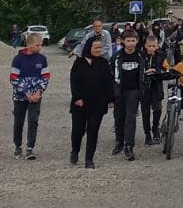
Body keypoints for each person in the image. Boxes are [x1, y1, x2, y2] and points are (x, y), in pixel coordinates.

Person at [69, 38, 114, 168]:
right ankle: (75, 150)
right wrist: (77, 97)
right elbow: (74, 81)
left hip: (98, 102)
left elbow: (108, 82)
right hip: (81, 103)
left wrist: (111, 99)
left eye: (100, 48)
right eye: (96, 48)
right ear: (89, 48)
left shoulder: (104, 63)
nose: (99, 50)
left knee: (93, 130)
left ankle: (89, 159)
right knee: (78, 130)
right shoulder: (79, 63)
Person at [9, 32, 50, 159]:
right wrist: (26, 93)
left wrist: (39, 92)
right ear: (30, 45)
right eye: (38, 45)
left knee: (33, 121)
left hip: (36, 96)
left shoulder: (42, 59)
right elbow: (13, 78)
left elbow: (46, 77)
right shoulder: (18, 59)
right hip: (20, 97)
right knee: (19, 121)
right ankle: (18, 147)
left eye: (41, 45)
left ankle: (30, 148)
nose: (40, 47)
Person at [110, 31, 146, 160]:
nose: (130, 43)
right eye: (128, 41)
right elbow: (111, 75)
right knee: (119, 117)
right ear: (123, 41)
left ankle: (129, 145)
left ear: (136, 41)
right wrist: (111, 94)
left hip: (134, 91)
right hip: (119, 91)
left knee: (130, 118)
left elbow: (144, 73)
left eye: (133, 41)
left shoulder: (141, 56)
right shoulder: (117, 56)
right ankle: (119, 141)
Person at [140, 34, 168, 146]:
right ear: (145, 45)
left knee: (157, 109)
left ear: (157, 46)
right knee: (145, 112)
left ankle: (155, 128)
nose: (151, 48)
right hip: (144, 88)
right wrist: (145, 72)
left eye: (154, 46)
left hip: (156, 87)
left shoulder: (161, 56)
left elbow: (166, 70)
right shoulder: (140, 56)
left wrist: (157, 71)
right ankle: (147, 134)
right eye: (149, 46)